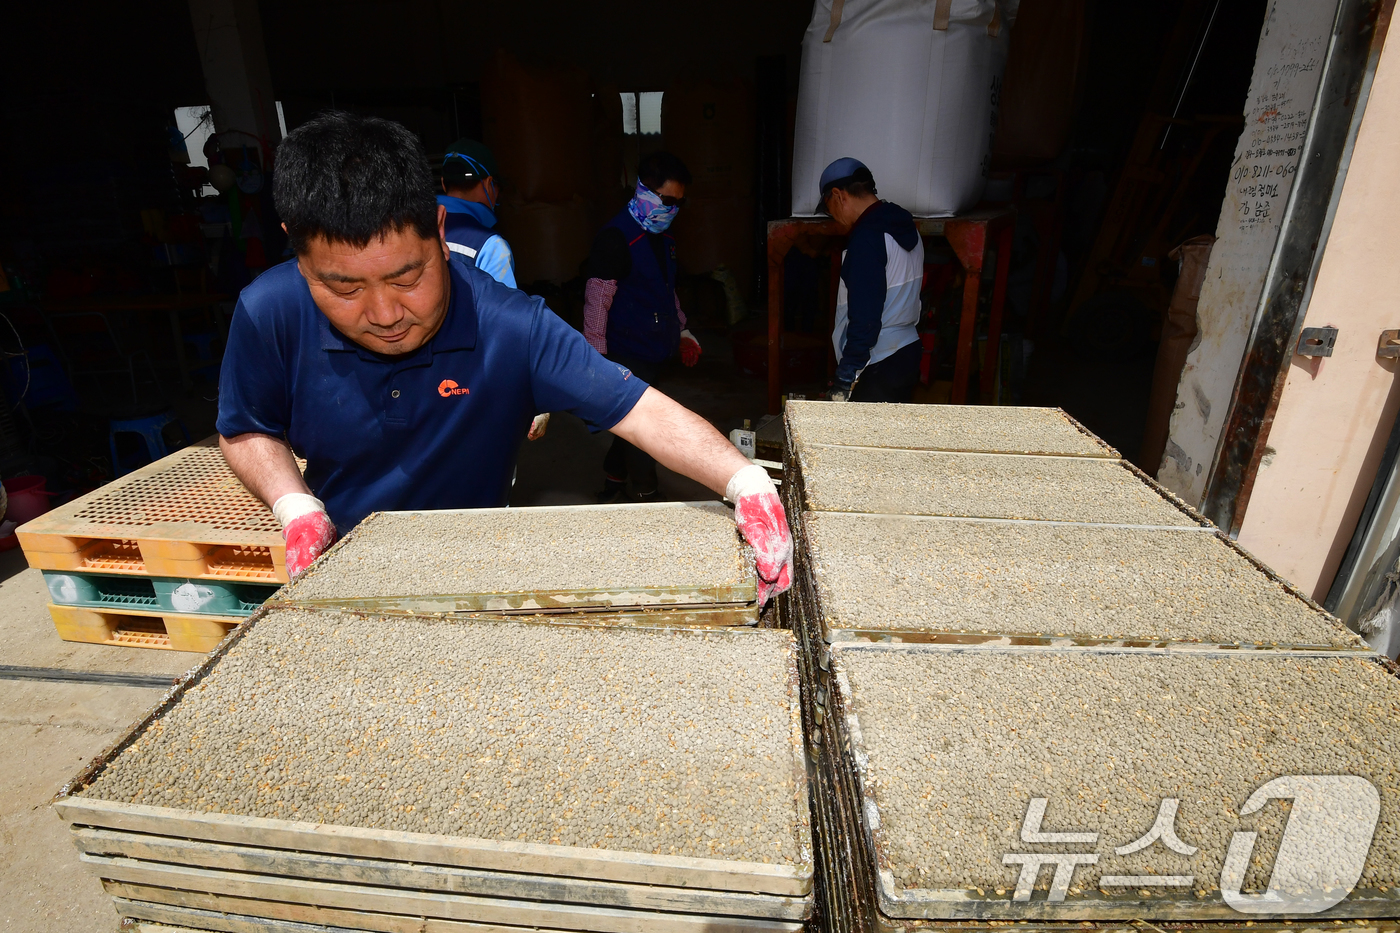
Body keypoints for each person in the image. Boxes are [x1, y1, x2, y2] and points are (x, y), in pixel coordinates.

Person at [215, 112, 792, 605]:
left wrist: (745, 482)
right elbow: (245, 427)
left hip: (478, 571)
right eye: (345, 290)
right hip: (342, 564)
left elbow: (641, 411)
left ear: (439, 229)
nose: (386, 313)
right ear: (297, 247)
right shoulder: (270, 313)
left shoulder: (511, 326)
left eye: (408, 276)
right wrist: (295, 506)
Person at [583, 152, 703, 502]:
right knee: (644, 428)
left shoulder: (663, 240)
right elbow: (596, 302)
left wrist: (682, 332)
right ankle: (647, 495)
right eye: (668, 200)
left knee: (630, 426)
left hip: (654, 351)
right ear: (645, 191)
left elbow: (667, 292)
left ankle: (613, 483)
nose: (673, 209)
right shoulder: (616, 239)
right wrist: (597, 361)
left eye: (680, 203)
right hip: (625, 353)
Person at [438, 140, 547, 440]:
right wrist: (528, 398)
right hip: (473, 391)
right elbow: (506, 329)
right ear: (489, 184)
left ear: (444, 182)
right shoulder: (489, 246)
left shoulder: (407, 230)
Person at [818, 157, 925, 403]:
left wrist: (846, 376)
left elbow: (865, 317)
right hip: (907, 350)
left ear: (838, 195)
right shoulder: (907, 228)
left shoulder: (867, 240)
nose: (831, 216)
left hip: (877, 362)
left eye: (828, 207)